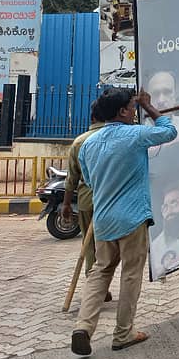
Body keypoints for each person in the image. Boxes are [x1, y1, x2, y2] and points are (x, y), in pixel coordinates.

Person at [70, 88, 177, 357]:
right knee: (131, 274)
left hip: (103, 220)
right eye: (132, 107)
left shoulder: (88, 144)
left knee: (100, 271)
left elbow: (89, 181)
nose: (134, 112)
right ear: (122, 111)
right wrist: (149, 106)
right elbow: (169, 131)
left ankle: (83, 326)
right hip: (132, 218)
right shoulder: (135, 135)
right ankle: (123, 333)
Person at [62, 104, 107, 285]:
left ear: (92, 118)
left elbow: (71, 178)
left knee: (90, 247)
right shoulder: (117, 138)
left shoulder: (80, 142)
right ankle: (100, 284)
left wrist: (66, 204)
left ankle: (94, 283)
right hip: (111, 199)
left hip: (87, 200)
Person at [146, 71, 179, 139]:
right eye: (155, 94)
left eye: (167, 92)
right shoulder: (140, 132)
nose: (161, 100)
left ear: (175, 96)